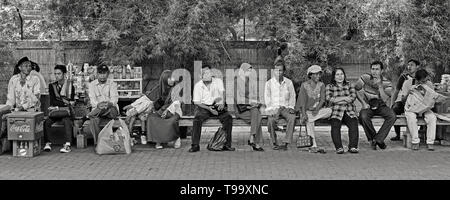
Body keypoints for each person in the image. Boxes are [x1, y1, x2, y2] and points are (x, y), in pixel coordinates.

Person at [189, 65, 234, 152]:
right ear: (201, 76)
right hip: (204, 107)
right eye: (205, 73)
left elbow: (222, 93)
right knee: (197, 119)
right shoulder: (198, 86)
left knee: (228, 118)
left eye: (209, 72)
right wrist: (209, 109)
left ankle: (226, 144)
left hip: (217, 105)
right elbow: (197, 102)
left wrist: (222, 102)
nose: (208, 74)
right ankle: (195, 145)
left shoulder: (218, 81)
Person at [355, 61, 396, 150]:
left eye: (377, 69)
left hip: (381, 105)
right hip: (368, 105)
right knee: (363, 116)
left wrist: (380, 86)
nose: (374, 72)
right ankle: (376, 140)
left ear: (381, 71)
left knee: (392, 116)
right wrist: (363, 103)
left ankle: (378, 139)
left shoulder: (386, 82)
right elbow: (355, 90)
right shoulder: (365, 78)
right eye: (373, 69)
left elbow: (385, 99)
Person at [295, 65, 331, 152]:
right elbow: (302, 102)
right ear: (310, 75)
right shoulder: (304, 85)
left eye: (319, 74)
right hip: (306, 111)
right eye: (315, 74)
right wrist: (303, 114)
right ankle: (313, 146)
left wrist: (316, 109)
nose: (318, 76)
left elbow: (322, 100)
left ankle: (308, 118)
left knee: (330, 110)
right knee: (309, 121)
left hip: (317, 112)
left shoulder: (321, 85)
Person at [145, 70, 183, 149]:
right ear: (164, 79)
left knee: (172, 120)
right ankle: (158, 141)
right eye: (169, 78)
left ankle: (176, 138)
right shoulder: (160, 87)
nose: (172, 80)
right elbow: (151, 98)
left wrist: (167, 110)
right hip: (161, 110)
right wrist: (151, 107)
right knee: (152, 118)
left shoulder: (177, 88)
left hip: (174, 110)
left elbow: (177, 102)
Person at [325, 68, 359, 154]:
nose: (340, 76)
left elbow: (352, 97)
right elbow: (329, 98)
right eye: (337, 74)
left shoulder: (349, 84)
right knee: (335, 125)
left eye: (341, 74)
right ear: (334, 76)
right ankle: (339, 147)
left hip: (349, 110)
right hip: (336, 111)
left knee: (353, 123)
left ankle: (353, 146)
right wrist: (345, 98)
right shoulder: (330, 86)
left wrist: (337, 100)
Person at [265, 60, 297, 151]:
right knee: (270, 121)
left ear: (284, 71)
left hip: (285, 108)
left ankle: (286, 142)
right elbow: (267, 98)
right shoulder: (269, 83)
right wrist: (270, 110)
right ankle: (274, 142)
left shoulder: (288, 82)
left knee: (292, 118)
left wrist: (291, 107)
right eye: (276, 70)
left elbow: (292, 96)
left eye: (280, 70)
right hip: (274, 108)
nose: (278, 72)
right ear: (273, 71)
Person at [43, 65, 75, 153]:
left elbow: (71, 101)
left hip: (66, 112)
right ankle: (48, 143)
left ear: (64, 74)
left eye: (59, 73)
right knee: (47, 122)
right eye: (55, 74)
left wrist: (60, 104)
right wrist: (65, 103)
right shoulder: (52, 86)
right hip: (56, 112)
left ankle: (67, 144)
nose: (57, 76)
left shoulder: (70, 86)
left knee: (67, 121)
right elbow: (53, 101)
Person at [404, 69, 439, 151]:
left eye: (426, 80)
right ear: (417, 80)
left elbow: (432, 97)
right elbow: (403, 100)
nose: (425, 82)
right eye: (423, 81)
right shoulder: (408, 83)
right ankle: (415, 141)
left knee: (432, 118)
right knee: (411, 118)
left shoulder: (429, 84)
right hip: (412, 108)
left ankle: (430, 142)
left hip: (424, 108)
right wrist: (409, 92)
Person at [234, 63, 264, 151]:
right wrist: (251, 102)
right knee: (258, 117)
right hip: (241, 110)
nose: (250, 73)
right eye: (248, 71)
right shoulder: (236, 82)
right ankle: (256, 142)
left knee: (256, 113)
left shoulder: (250, 81)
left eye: (250, 71)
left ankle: (252, 137)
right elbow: (238, 99)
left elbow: (254, 95)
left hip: (250, 108)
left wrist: (256, 101)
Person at [87, 65, 119, 144]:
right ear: (97, 74)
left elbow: (114, 99)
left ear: (108, 74)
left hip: (111, 110)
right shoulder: (92, 85)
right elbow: (92, 100)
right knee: (93, 120)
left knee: (107, 108)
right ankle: (98, 143)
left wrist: (108, 104)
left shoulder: (112, 84)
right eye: (100, 73)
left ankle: (88, 115)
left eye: (104, 73)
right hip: (98, 110)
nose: (102, 76)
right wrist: (98, 105)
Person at [390, 59, 421, 141]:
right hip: (403, 101)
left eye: (412, 65)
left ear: (417, 66)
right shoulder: (403, 77)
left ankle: (420, 132)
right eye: (408, 65)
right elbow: (396, 91)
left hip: (417, 102)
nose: (409, 67)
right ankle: (397, 135)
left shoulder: (421, 77)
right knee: (394, 109)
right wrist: (392, 103)